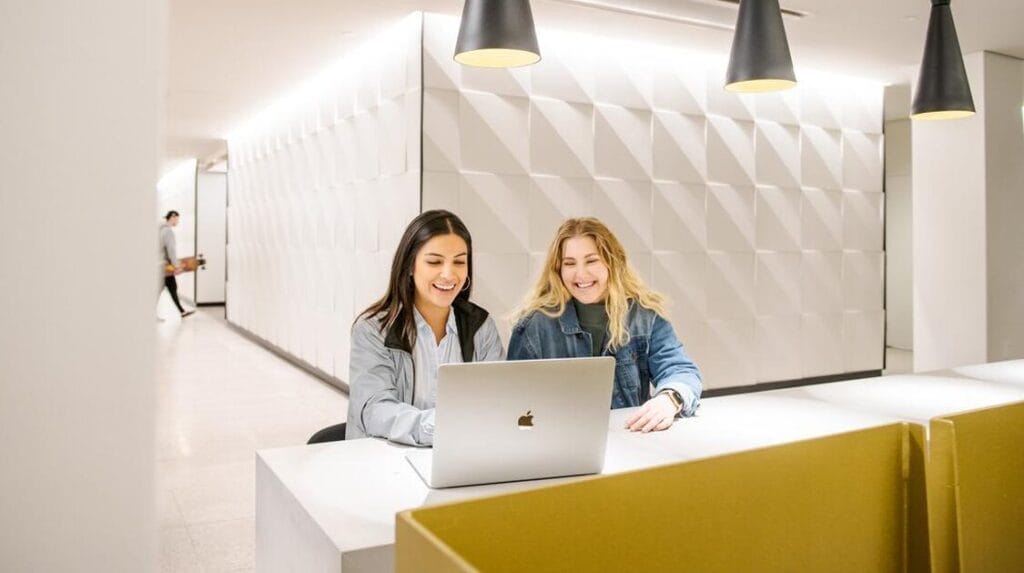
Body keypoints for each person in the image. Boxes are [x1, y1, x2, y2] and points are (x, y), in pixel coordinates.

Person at [508, 217, 702, 433]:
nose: (580, 274)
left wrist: (669, 399)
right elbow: (513, 406)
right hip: (558, 452)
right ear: (558, 270)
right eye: (570, 263)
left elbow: (681, 370)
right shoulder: (534, 325)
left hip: (631, 444)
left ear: (612, 262)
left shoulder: (644, 316)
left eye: (591, 261)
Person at [346, 210, 504, 446]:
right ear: (410, 266)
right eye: (434, 262)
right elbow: (375, 410)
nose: (449, 274)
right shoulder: (373, 330)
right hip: (385, 465)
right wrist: (439, 427)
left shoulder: (481, 327)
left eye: (459, 262)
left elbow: (497, 400)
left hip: (459, 457)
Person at [159, 210, 194, 318]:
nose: (178, 221)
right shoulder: (168, 231)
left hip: (159, 265)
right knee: (168, 288)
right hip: (164, 266)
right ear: (172, 217)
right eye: (177, 218)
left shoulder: (160, 230)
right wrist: (177, 266)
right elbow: (171, 250)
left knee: (171, 287)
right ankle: (182, 311)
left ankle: (182, 311)